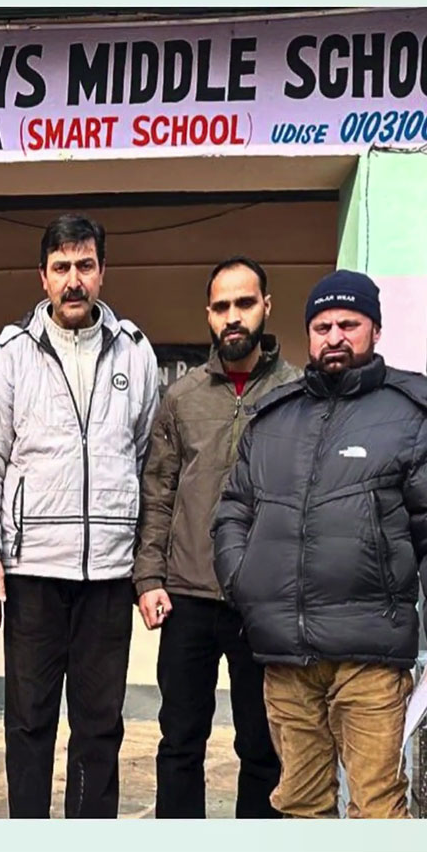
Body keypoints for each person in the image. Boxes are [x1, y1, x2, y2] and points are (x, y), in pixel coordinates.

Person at [212, 269, 427, 819]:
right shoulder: (274, 417)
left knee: (377, 808)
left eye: (348, 323)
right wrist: (245, 581)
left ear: (374, 330)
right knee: (299, 806)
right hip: (287, 657)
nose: (334, 336)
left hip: (370, 658)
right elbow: (233, 510)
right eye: (321, 325)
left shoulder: (415, 414)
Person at [0, 214, 160, 818]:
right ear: (42, 277)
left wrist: (145, 567)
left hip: (108, 573)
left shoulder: (136, 351)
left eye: (84, 266)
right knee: (28, 722)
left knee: (99, 726)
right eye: (61, 268)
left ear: (102, 272)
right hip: (32, 571)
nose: (73, 281)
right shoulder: (10, 354)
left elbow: (149, 461)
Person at [134, 257, 300, 818]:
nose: (233, 317)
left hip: (265, 604)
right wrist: (148, 579)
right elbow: (157, 493)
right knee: (180, 741)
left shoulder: (297, 393)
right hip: (187, 598)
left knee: (262, 747)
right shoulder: (181, 398)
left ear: (266, 307)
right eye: (222, 307)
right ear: (208, 315)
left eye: (244, 304)